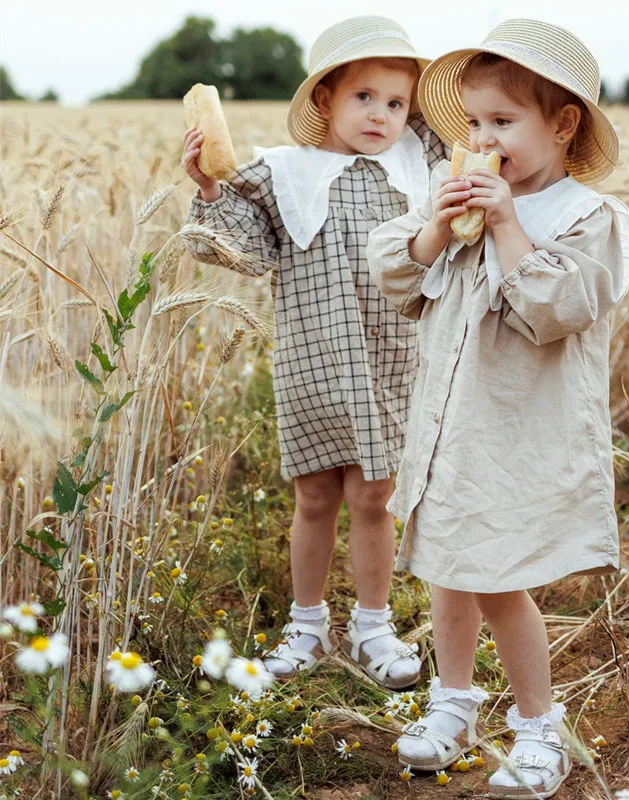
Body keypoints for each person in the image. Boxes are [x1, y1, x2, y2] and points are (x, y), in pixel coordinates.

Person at [367, 18, 629, 797]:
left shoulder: (588, 218)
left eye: (503, 123)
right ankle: (453, 702)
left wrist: (507, 225)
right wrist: (435, 229)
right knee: (444, 568)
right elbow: (400, 281)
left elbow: (561, 306)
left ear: (562, 126)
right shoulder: (456, 209)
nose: (484, 139)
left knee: (495, 578)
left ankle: (537, 725)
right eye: (476, 123)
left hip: (520, 433)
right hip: (450, 428)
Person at [181, 16, 448, 690]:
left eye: (397, 103)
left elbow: (471, 165)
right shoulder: (283, 172)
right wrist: (211, 188)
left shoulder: (418, 164)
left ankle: (372, 626)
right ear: (325, 99)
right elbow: (245, 248)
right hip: (313, 356)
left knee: (376, 494)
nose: (382, 115)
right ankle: (306, 625)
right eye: (364, 97)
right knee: (314, 494)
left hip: (394, 354)